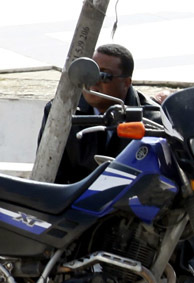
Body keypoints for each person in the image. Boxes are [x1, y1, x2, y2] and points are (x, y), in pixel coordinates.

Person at [37, 43, 160, 184]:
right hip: (74, 198)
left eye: (104, 76)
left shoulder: (152, 119)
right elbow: (50, 171)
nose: (93, 81)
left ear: (127, 82)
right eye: (89, 73)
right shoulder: (61, 111)